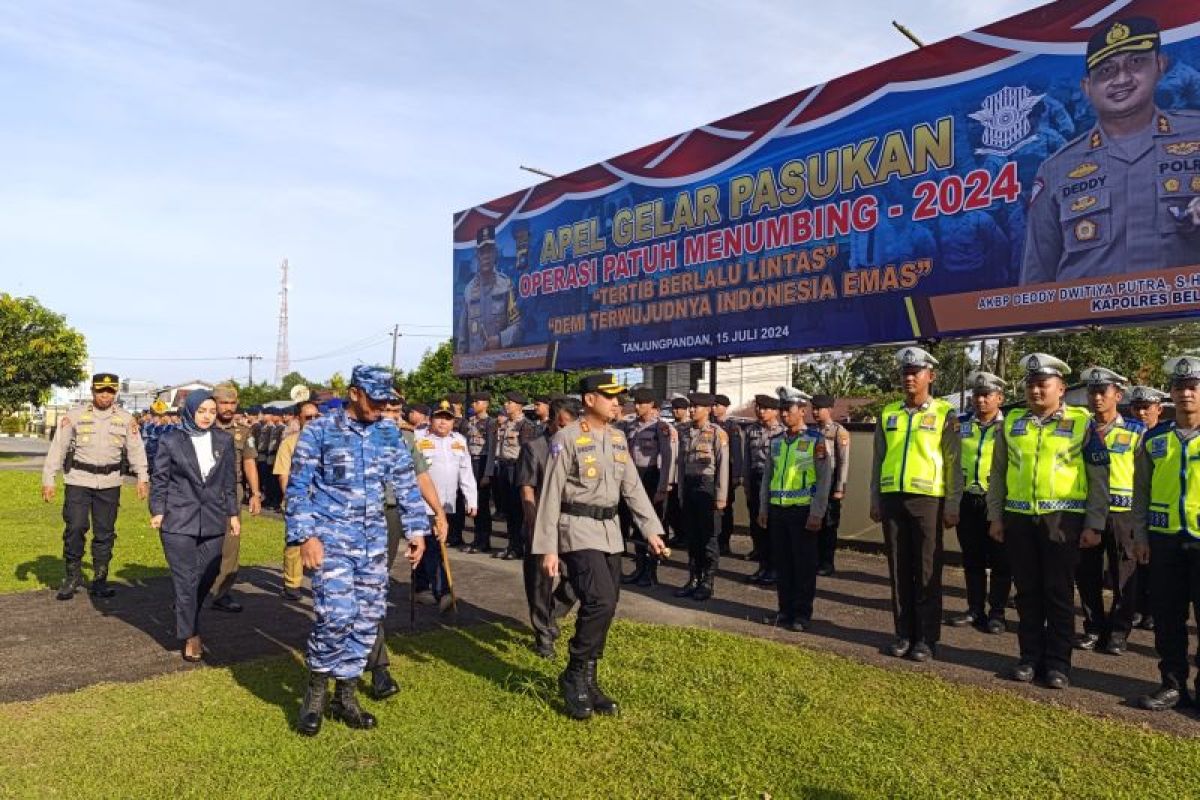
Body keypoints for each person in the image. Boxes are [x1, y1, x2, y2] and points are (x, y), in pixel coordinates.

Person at [287, 366, 430, 736]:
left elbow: (405, 483)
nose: (381, 407)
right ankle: (315, 694)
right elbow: (297, 488)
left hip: (373, 543)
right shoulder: (319, 430)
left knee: (367, 618)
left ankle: (345, 695)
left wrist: (417, 530)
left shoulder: (388, 433)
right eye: (375, 399)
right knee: (335, 615)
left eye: (387, 401)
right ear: (354, 393)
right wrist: (305, 537)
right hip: (330, 538)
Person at [1021, 16, 1200, 285]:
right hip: (1085, 325)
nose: (1122, 79)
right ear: (1087, 88)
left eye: (1135, 62)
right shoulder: (1056, 168)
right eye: (1106, 71)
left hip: (1184, 323)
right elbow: (1036, 278)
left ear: (1160, 65)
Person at [532, 373, 667, 720]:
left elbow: (632, 489)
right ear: (590, 400)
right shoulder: (567, 438)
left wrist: (652, 531)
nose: (617, 402)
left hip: (610, 531)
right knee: (599, 600)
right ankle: (574, 672)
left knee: (608, 605)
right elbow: (549, 495)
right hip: (576, 529)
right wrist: (548, 548)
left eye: (619, 397)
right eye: (610, 397)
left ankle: (590, 681)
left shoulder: (619, 438)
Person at [987, 353, 1109, 689]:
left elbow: (1099, 477)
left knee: (1057, 592)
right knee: (1027, 592)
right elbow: (997, 473)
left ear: (1061, 388)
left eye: (1043, 384)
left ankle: (1058, 663)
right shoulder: (1011, 423)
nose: (1035, 390)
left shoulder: (1083, 423)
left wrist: (1094, 523)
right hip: (1019, 518)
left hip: (1063, 520)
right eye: (1030, 384)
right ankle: (1029, 658)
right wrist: (995, 515)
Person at [869, 347, 962, 663]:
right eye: (905, 373)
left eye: (916, 372)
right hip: (892, 498)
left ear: (930, 376)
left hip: (928, 501)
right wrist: (875, 498)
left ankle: (926, 638)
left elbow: (953, 461)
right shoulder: (888, 413)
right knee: (898, 568)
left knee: (926, 570)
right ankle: (903, 633)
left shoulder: (944, 414)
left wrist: (952, 503)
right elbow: (878, 460)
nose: (909, 378)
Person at [41, 372, 149, 600]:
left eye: (110, 391)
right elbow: (58, 448)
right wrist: (48, 479)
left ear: (116, 393)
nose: (105, 395)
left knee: (105, 533)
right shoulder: (74, 416)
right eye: (101, 390)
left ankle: (100, 580)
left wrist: (142, 477)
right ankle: (72, 576)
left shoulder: (126, 419)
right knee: (76, 527)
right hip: (79, 480)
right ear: (93, 391)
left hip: (110, 483)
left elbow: (136, 449)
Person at [364, 397, 445, 699]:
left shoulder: (406, 439)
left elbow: (420, 477)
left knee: (374, 588)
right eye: (386, 411)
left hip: (389, 515)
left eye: (397, 412)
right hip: (353, 520)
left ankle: (377, 667)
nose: (392, 417)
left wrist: (437, 510)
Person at [149, 391, 239, 662]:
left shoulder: (224, 440)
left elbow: (228, 482)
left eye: (211, 411)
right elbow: (160, 479)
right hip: (178, 519)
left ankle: (186, 610)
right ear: (189, 411)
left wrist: (233, 514)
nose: (207, 416)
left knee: (208, 573)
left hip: (213, 518)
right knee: (186, 578)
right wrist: (157, 510)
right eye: (201, 411)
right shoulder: (171, 439)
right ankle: (192, 635)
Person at [1135, 356, 1200, 711]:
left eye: (1193, 387)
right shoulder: (1155, 438)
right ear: (1171, 394)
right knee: (1168, 617)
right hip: (1164, 540)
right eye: (1180, 387)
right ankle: (1173, 685)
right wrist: (1141, 537)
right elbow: (1140, 491)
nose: (1186, 393)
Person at [1075, 367, 1144, 655]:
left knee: (1123, 575)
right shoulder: (1080, 429)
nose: (1097, 397)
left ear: (1118, 394)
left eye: (1103, 391)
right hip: (1088, 513)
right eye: (1092, 391)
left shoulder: (1136, 431)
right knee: (1086, 573)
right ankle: (1093, 627)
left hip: (1122, 513)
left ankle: (1118, 631)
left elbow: (1144, 479)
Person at [757, 387, 832, 631]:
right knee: (783, 564)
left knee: (804, 565)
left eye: (787, 409)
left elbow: (823, 480)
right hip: (778, 512)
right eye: (781, 409)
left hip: (803, 513)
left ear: (802, 411)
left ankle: (801, 614)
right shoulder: (776, 442)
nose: (783, 414)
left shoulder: (815, 441)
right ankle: (784, 611)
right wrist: (763, 509)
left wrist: (817, 513)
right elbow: (767, 478)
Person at [947, 372, 1011, 634]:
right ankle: (975, 609)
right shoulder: (959, 424)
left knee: (1000, 560)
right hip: (967, 499)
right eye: (977, 395)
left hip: (996, 501)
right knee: (971, 558)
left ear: (1000, 398)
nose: (981, 400)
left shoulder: (1009, 427)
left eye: (986, 395)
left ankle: (997, 613)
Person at [518, 396, 581, 657]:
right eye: (564, 423)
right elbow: (527, 489)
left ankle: (551, 614)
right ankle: (543, 633)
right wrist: (535, 525)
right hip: (542, 522)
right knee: (539, 582)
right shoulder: (534, 447)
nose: (568, 429)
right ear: (554, 420)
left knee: (577, 577)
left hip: (573, 522)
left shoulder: (579, 445)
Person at [412, 401, 475, 611]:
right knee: (432, 547)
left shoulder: (459, 441)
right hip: (424, 504)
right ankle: (442, 593)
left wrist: (471, 499)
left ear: (453, 421)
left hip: (449, 504)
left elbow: (466, 472)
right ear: (430, 420)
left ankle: (422, 587)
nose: (443, 422)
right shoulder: (419, 440)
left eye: (447, 418)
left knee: (436, 547)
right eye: (439, 417)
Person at [208, 383, 261, 613]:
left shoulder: (243, 432)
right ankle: (190, 595)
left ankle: (221, 593)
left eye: (232, 403)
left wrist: (255, 494)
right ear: (214, 403)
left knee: (231, 544)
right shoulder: (202, 428)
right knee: (200, 543)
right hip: (205, 492)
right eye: (223, 402)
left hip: (233, 491)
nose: (228, 407)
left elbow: (249, 462)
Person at [673, 392, 730, 602]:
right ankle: (694, 578)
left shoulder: (717, 433)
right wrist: (680, 492)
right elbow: (680, 465)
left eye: (697, 406)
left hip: (708, 489)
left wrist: (721, 497)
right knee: (693, 537)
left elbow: (723, 466)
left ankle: (708, 581)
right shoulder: (685, 432)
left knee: (709, 538)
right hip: (689, 487)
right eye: (691, 406)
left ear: (707, 409)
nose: (692, 410)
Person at [617, 388, 675, 587]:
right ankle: (639, 568)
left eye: (642, 403)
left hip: (652, 477)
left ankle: (651, 571)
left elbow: (668, 459)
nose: (637, 406)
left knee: (651, 524)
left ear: (652, 405)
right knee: (635, 525)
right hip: (634, 477)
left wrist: (663, 487)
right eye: (636, 402)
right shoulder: (630, 426)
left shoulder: (661, 428)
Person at [1128, 384, 1168, 631]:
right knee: (1135, 563)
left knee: (1158, 567)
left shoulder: (1164, 436)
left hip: (1163, 510)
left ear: (1158, 409)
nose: (1141, 413)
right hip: (1134, 507)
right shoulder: (1127, 434)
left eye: (1146, 408)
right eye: (1137, 408)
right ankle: (1137, 607)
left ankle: (1152, 610)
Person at [274, 399, 319, 601]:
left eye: (317, 416)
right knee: (295, 543)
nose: (313, 420)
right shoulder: (290, 443)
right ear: (298, 419)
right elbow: (283, 474)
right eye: (308, 417)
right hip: (299, 499)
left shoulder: (329, 440)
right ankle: (292, 583)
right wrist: (292, 501)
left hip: (324, 501)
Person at [457, 225, 520, 353]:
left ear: (495, 253)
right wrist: (462, 366)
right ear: (477, 255)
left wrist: (500, 339)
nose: (486, 256)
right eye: (482, 251)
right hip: (476, 368)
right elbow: (463, 337)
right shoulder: (468, 290)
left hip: (502, 366)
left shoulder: (506, 285)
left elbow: (518, 326)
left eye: (489, 250)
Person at [743, 393, 784, 586]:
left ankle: (776, 568)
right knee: (757, 527)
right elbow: (747, 460)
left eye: (765, 408)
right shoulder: (751, 431)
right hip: (755, 480)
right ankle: (763, 566)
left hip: (774, 483)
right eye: (758, 407)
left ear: (775, 411)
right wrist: (746, 485)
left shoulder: (782, 432)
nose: (760, 411)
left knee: (773, 528)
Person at [493, 391, 536, 559]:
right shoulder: (505, 424)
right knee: (509, 510)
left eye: (509, 402)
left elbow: (527, 451)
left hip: (517, 467)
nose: (506, 405)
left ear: (519, 406)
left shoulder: (525, 425)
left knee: (518, 509)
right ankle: (512, 545)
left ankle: (520, 546)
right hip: (503, 466)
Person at [811, 394, 851, 576]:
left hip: (832, 481)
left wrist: (840, 487)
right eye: (813, 408)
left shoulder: (838, 431)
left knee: (829, 524)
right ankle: (814, 559)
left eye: (818, 409)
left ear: (829, 410)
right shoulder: (811, 431)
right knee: (814, 522)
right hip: (814, 482)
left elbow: (843, 461)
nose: (815, 412)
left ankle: (827, 563)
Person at [460, 392, 497, 554]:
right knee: (472, 503)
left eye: (477, 401)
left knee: (482, 504)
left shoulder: (490, 423)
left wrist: (487, 473)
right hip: (471, 461)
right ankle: (477, 539)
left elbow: (491, 449)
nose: (474, 404)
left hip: (482, 463)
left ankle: (484, 540)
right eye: (473, 401)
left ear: (486, 404)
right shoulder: (470, 422)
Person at [713, 394, 744, 558]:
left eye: (718, 405)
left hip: (728, 471)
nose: (714, 408)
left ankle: (724, 542)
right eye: (713, 405)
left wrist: (737, 475)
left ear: (725, 407)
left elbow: (737, 453)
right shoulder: (710, 425)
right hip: (713, 472)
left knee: (725, 509)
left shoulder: (732, 427)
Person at [664, 396, 691, 545]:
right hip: (672, 472)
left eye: (678, 408)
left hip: (685, 471)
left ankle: (686, 535)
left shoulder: (691, 427)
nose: (675, 411)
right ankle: (679, 534)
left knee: (685, 506)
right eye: (673, 409)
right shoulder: (670, 427)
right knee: (672, 506)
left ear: (686, 410)